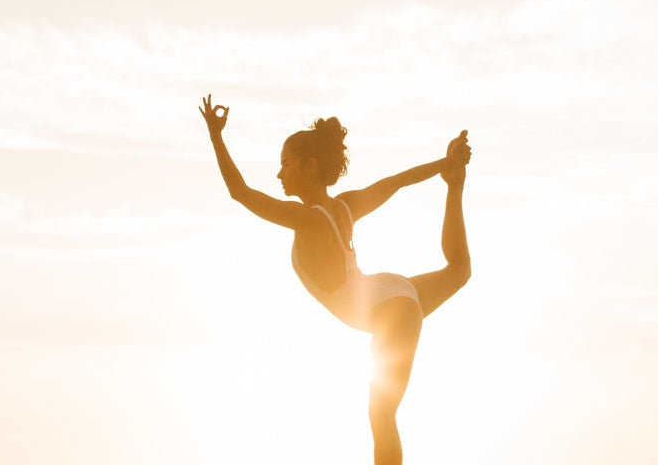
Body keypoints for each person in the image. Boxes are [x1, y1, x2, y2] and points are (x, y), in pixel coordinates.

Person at [198, 94, 472, 465]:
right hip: (389, 291)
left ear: (310, 167)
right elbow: (396, 181)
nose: (279, 174)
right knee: (458, 271)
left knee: (381, 415)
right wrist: (448, 165)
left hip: (389, 307)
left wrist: (216, 137)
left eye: (286, 164)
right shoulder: (345, 205)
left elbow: (240, 192)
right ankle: (456, 186)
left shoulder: (308, 220)